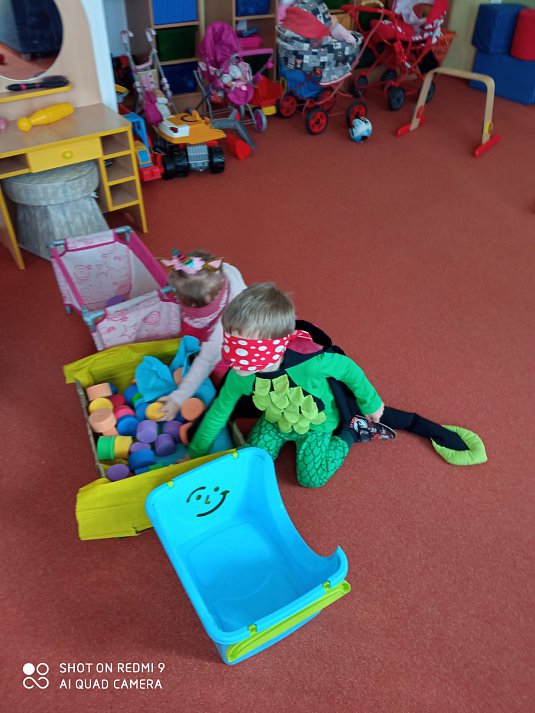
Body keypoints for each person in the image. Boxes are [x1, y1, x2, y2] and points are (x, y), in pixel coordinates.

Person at [187, 283, 487, 487]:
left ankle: (350, 434)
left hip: (319, 425)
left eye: (244, 346)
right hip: (275, 421)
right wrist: (197, 454)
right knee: (253, 461)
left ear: (275, 344)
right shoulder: (240, 375)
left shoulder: (313, 363)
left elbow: (349, 370)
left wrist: (371, 403)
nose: (233, 356)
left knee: (311, 479)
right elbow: (220, 411)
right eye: (230, 340)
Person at [157, 250, 247, 421]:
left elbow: (206, 362)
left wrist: (178, 398)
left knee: (221, 368)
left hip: (237, 342)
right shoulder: (218, 270)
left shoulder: (224, 327)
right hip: (225, 315)